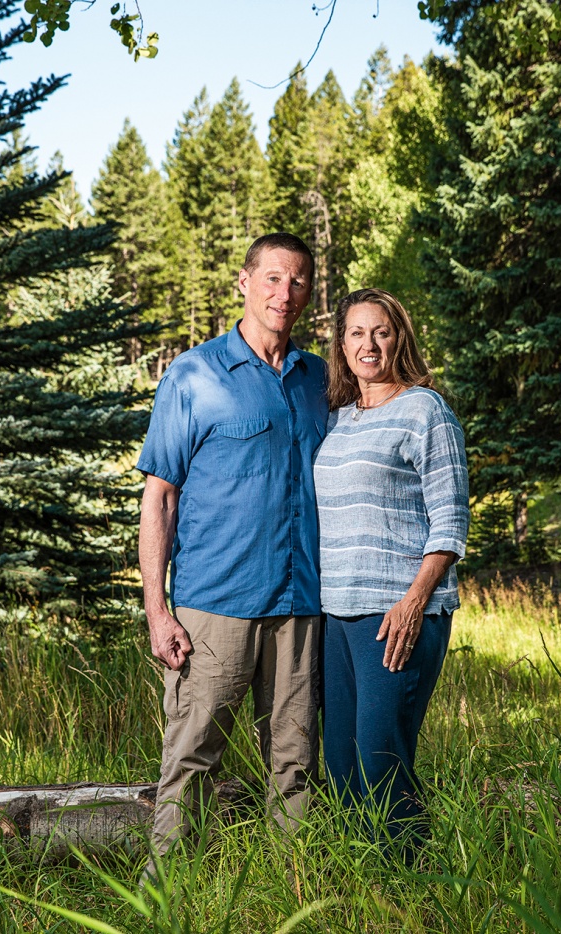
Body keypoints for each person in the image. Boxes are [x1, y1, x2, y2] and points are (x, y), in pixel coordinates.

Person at [136, 232, 327, 863]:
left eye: (298, 280)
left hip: (301, 602)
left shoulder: (319, 379)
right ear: (244, 283)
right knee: (192, 759)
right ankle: (166, 897)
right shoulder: (193, 375)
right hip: (214, 605)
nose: (285, 293)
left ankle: (291, 888)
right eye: (272, 278)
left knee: (295, 761)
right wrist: (158, 611)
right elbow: (159, 498)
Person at [314, 287, 469, 851]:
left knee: (381, 760)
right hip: (336, 615)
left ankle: (414, 883)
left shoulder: (425, 410)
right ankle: (366, 890)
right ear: (342, 345)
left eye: (380, 331)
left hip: (398, 612)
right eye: (356, 333)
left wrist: (412, 603)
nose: (368, 344)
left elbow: (450, 525)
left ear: (398, 336)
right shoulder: (337, 418)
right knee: (340, 766)